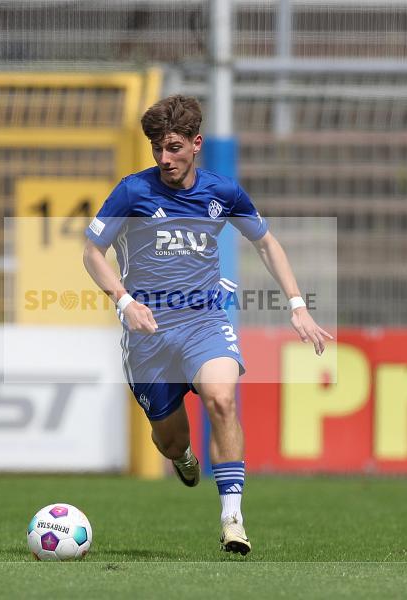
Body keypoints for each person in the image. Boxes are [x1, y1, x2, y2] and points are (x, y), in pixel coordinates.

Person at [82, 95, 332, 556]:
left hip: (204, 321)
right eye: (157, 148)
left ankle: (232, 520)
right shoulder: (133, 192)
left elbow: (266, 243)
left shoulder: (223, 193)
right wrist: (124, 301)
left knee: (220, 399)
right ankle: (184, 457)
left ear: (196, 144)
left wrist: (298, 304)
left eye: (173, 147)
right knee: (171, 440)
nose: (164, 158)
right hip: (148, 333)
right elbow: (92, 252)